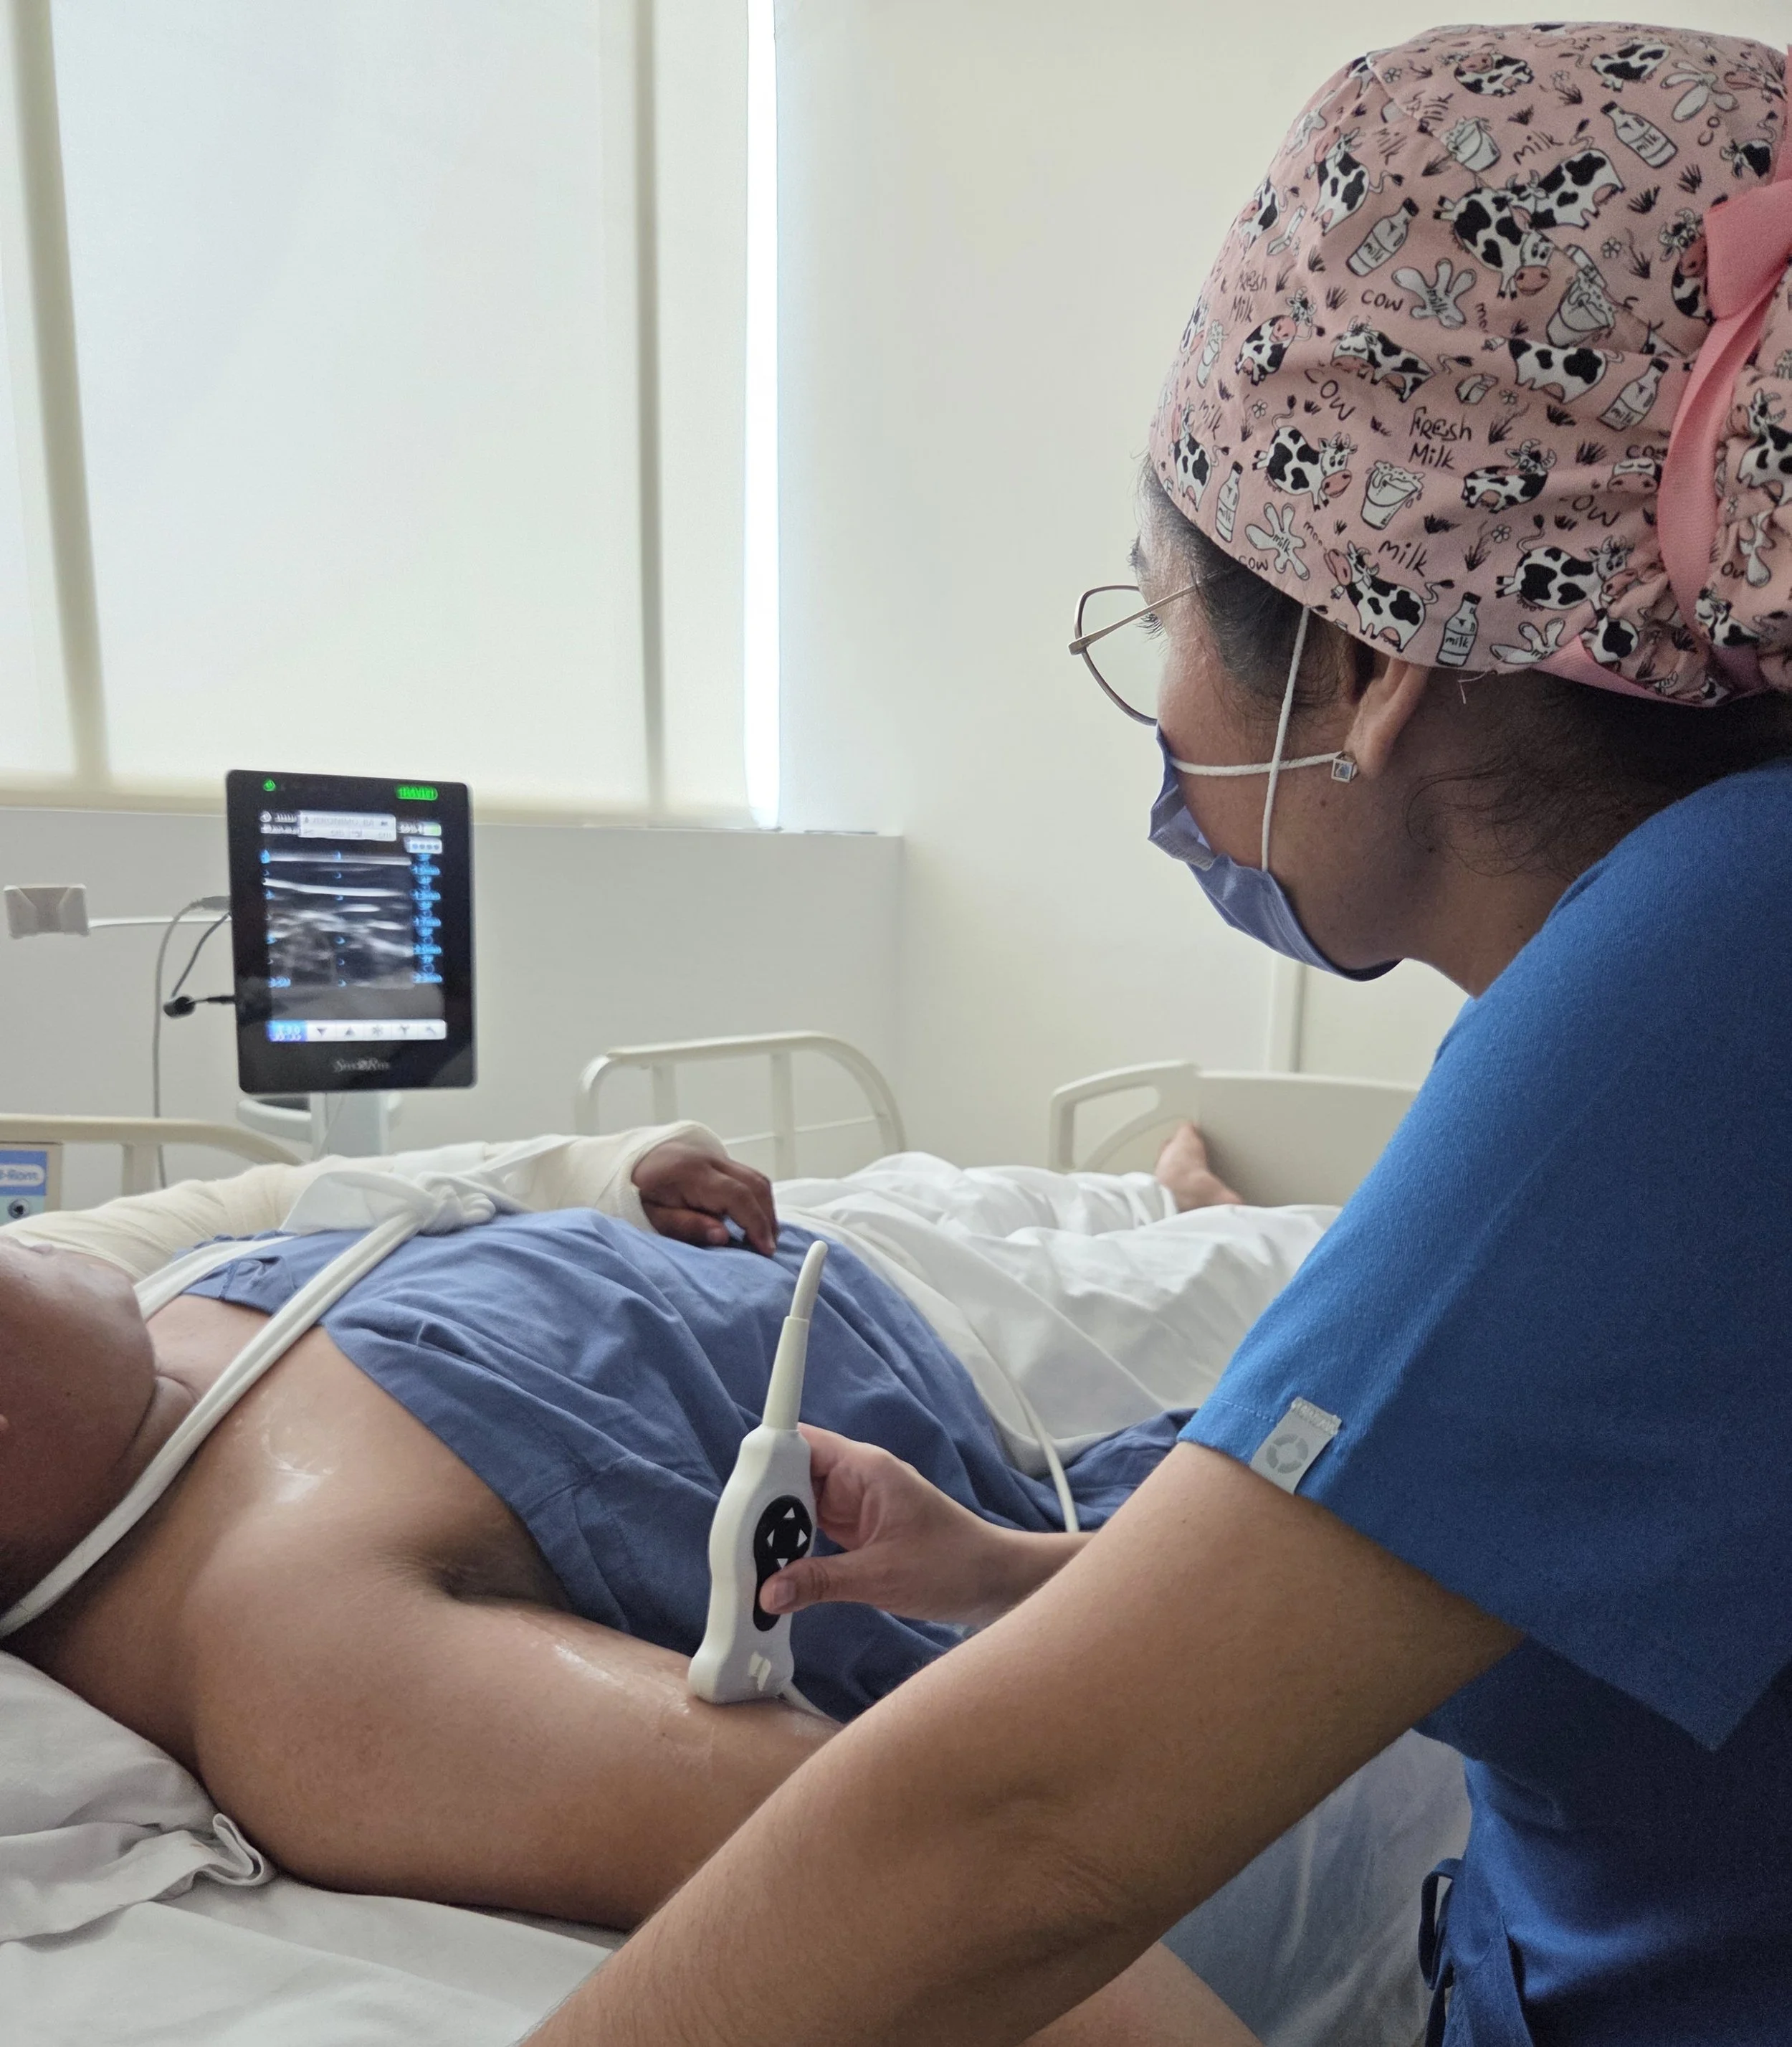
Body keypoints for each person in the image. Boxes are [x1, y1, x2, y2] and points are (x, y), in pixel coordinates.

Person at [520, 22, 1792, 2047]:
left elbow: (1005, 1828)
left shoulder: (1725, 952)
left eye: (1156, 616)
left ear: (1366, 659)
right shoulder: (1674, 976)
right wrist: (1028, 1569)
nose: (1160, 718)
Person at [0, 1117, 1365, 2046]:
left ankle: (1167, 1197)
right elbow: (910, 1861)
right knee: (1305, 1272)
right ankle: (1193, 1214)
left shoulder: (117, 1333)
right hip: (971, 1407)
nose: (32, 1234)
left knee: (1054, 1198)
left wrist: (605, 1164)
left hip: (815, 1255)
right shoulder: (288, 1638)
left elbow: (297, 1190)